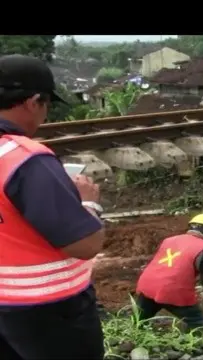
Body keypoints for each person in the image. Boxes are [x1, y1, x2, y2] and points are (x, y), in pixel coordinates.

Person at [0, 54, 106, 359]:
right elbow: (86, 244)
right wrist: (88, 203)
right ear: (34, 102)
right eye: (46, 106)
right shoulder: (26, 159)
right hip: (49, 310)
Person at [135, 213, 203, 330]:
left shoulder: (168, 240)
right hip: (174, 290)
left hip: (147, 285)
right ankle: (199, 344)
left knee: (138, 320)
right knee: (198, 324)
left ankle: (129, 340)